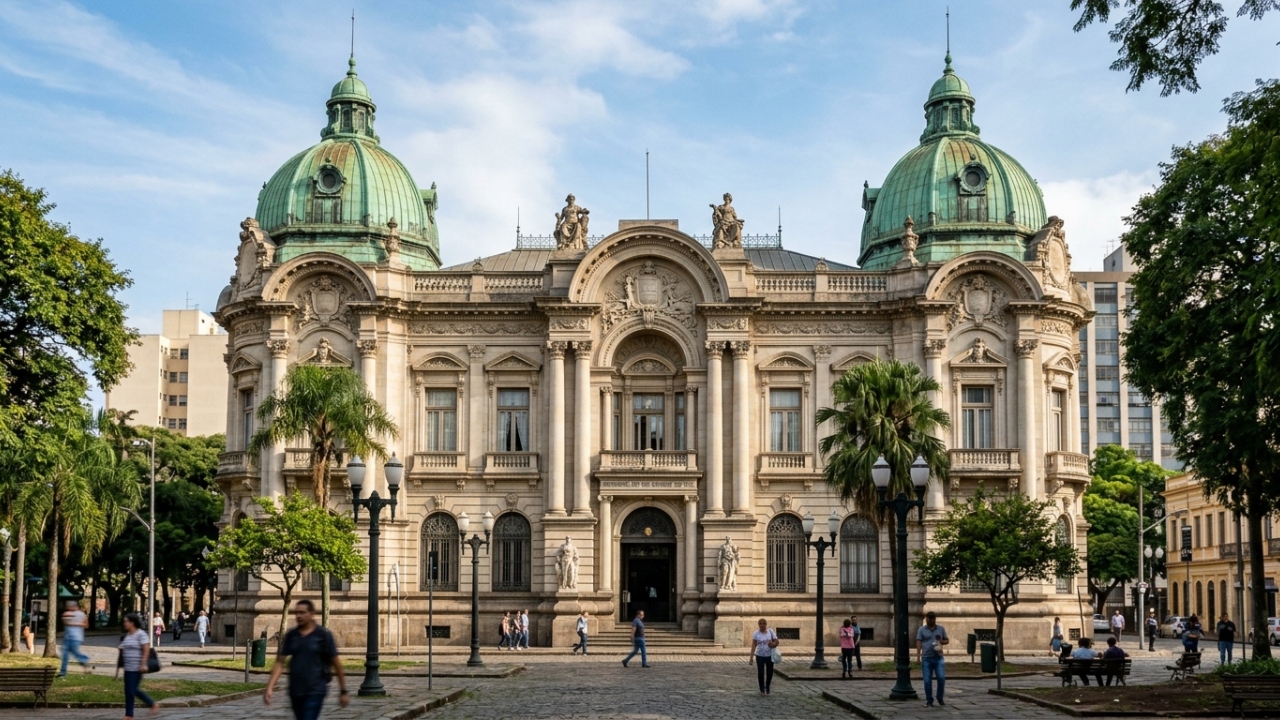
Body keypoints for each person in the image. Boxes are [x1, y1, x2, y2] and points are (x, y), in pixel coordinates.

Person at [265, 599, 348, 720]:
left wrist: (343, 691)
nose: (298, 616)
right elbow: (280, 662)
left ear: (311, 614)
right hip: (296, 690)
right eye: (296, 612)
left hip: (316, 689)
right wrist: (270, 687)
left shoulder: (323, 635)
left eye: (302, 612)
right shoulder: (291, 635)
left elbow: (336, 663)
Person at [119, 612, 157, 718]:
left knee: (132, 690)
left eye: (126, 621)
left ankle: (151, 703)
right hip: (128, 667)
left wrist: (143, 663)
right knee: (129, 691)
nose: (124, 623)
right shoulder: (128, 635)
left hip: (137, 667)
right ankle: (129, 715)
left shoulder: (141, 634)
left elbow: (146, 649)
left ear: (132, 623)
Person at [915, 611, 949, 707]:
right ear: (926, 618)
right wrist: (918, 656)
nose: (930, 620)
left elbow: (947, 640)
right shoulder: (921, 630)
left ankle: (940, 697)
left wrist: (941, 642)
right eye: (928, 618)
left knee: (941, 678)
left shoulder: (941, 629)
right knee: (927, 680)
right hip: (926, 658)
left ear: (935, 619)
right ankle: (929, 700)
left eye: (932, 618)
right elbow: (918, 642)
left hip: (938, 658)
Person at [59, 600, 91, 677]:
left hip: (76, 637)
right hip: (67, 637)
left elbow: (86, 625)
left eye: (68, 606)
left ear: (72, 606)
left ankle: (85, 659)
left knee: (75, 652)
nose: (67, 608)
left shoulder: (81, 614)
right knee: (65, 654)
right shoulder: (67, 614)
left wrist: (74, 623)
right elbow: (64, 620)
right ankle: (62, 672)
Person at [749, 618, 778, 695]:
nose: (762, 625)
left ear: (766, 624)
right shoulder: (756, 633)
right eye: (760, 623)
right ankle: (762, 689)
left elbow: (777, 641)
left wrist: (773, 644)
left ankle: (767, 686)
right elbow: (753, 645)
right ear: (758, 625)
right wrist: (751, 657)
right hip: (760, 656)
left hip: (769, 655)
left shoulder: (770, 632)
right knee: (760, 673)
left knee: (769, 672)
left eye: (764, 623)